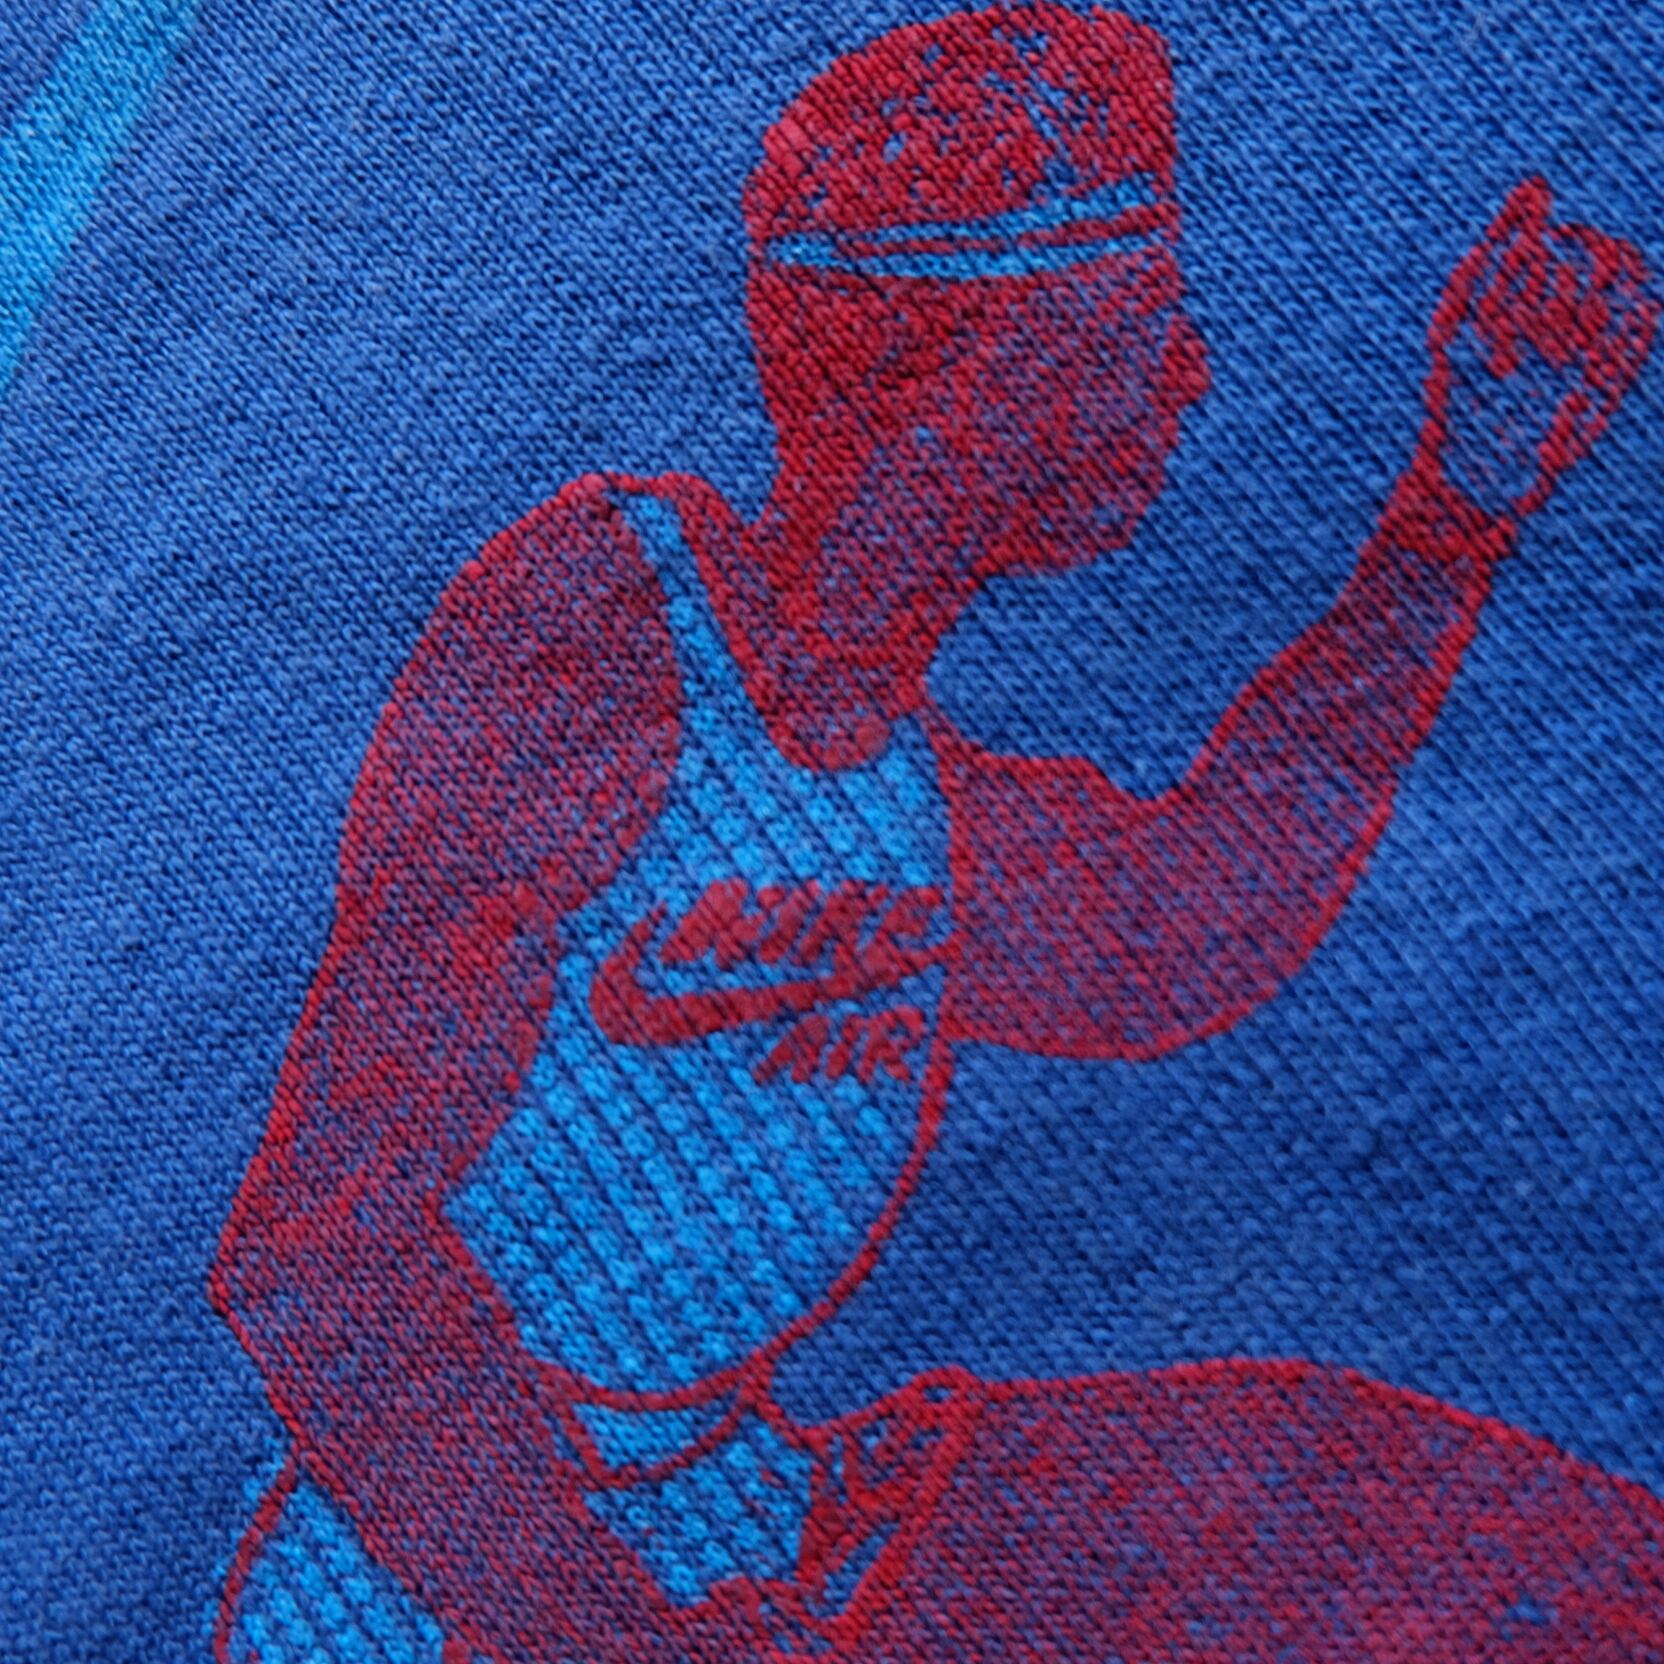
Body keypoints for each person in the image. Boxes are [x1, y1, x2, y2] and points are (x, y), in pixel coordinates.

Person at [212, 6, 1662, 1661]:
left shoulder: (887, 780)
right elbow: (318, 1265)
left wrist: (1450, 520)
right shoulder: (608, 628)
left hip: (723, 1519)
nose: (1191, 369)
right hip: (446, 1592)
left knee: (1348, 1498)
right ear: (969, 364)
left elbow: (1173, 926)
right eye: (1140, 322)